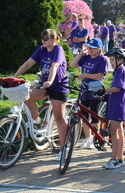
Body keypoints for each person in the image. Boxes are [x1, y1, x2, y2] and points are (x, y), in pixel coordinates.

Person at [13, 29, 69, 161]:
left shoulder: (58, 50)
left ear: (54, 39)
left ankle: (63, 148)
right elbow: (28, 63)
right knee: (26, 94)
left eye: (46, 38)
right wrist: (14, 77)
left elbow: (55, 66)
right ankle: (36, 118)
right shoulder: (41, 50)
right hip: (45, 85)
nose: (43, 41)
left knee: (59, 118)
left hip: (59, 85)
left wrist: (50, 80)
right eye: (42, 38)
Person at [70, 38, 108, 149]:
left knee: (94, 114)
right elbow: (72, 65)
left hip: (95, 89)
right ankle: (88, 138)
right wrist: (81, 53)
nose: (90, 50)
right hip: (84, 89)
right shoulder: (86, 57)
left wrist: (86, 76)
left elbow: (100, 75)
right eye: (89, 47)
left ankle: (96, 137)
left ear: (99, 49)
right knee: (84, 116)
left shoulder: (102, 59)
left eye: (93, 48)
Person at [103, 48, 125, 169]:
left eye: (113, 60)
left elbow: (118, 88)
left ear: (120, 60)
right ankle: (120, 158)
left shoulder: (121, 70)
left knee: (114, 132)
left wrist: (104, 90)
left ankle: (114, 159)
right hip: (115, 104)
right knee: (118, 132)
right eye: (110, 60)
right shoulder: (117, 71)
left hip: (119, 105)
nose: (111, 62)